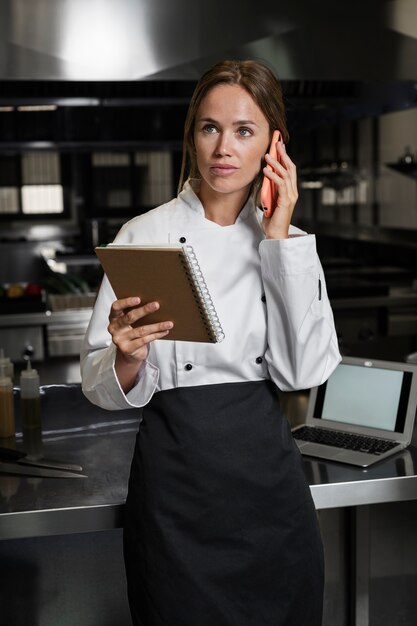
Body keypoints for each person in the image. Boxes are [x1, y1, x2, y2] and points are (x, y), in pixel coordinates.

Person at [81, 59, 341, 626]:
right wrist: (127, 356)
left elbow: (304, 373)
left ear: (275, 145)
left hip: (268, 486)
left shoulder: (292, 244)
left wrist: (276, 239)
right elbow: (98, 384)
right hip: (176, 487)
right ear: (192, 136)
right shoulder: (143, 236)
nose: (224, 147)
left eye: (244, 131)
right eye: (209, 127)